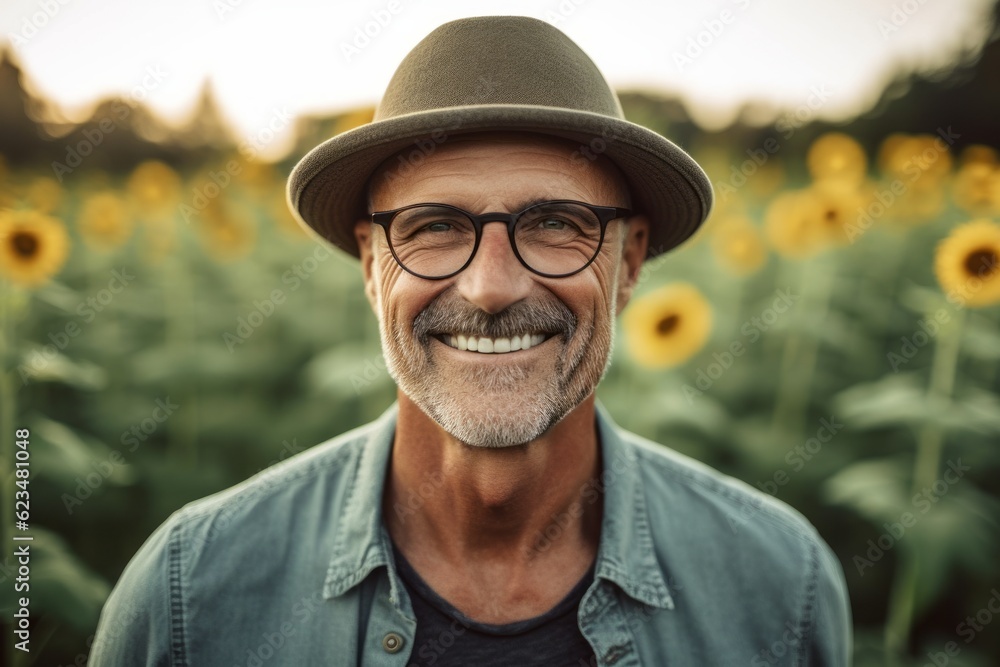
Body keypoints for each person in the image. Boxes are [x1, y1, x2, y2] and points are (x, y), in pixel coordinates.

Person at [90, 15, 851, 666]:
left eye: (556, 223)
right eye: (435, 226)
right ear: (371, 262)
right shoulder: (192, 594)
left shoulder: (780, 585)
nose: (491, 287)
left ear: (630, 260)